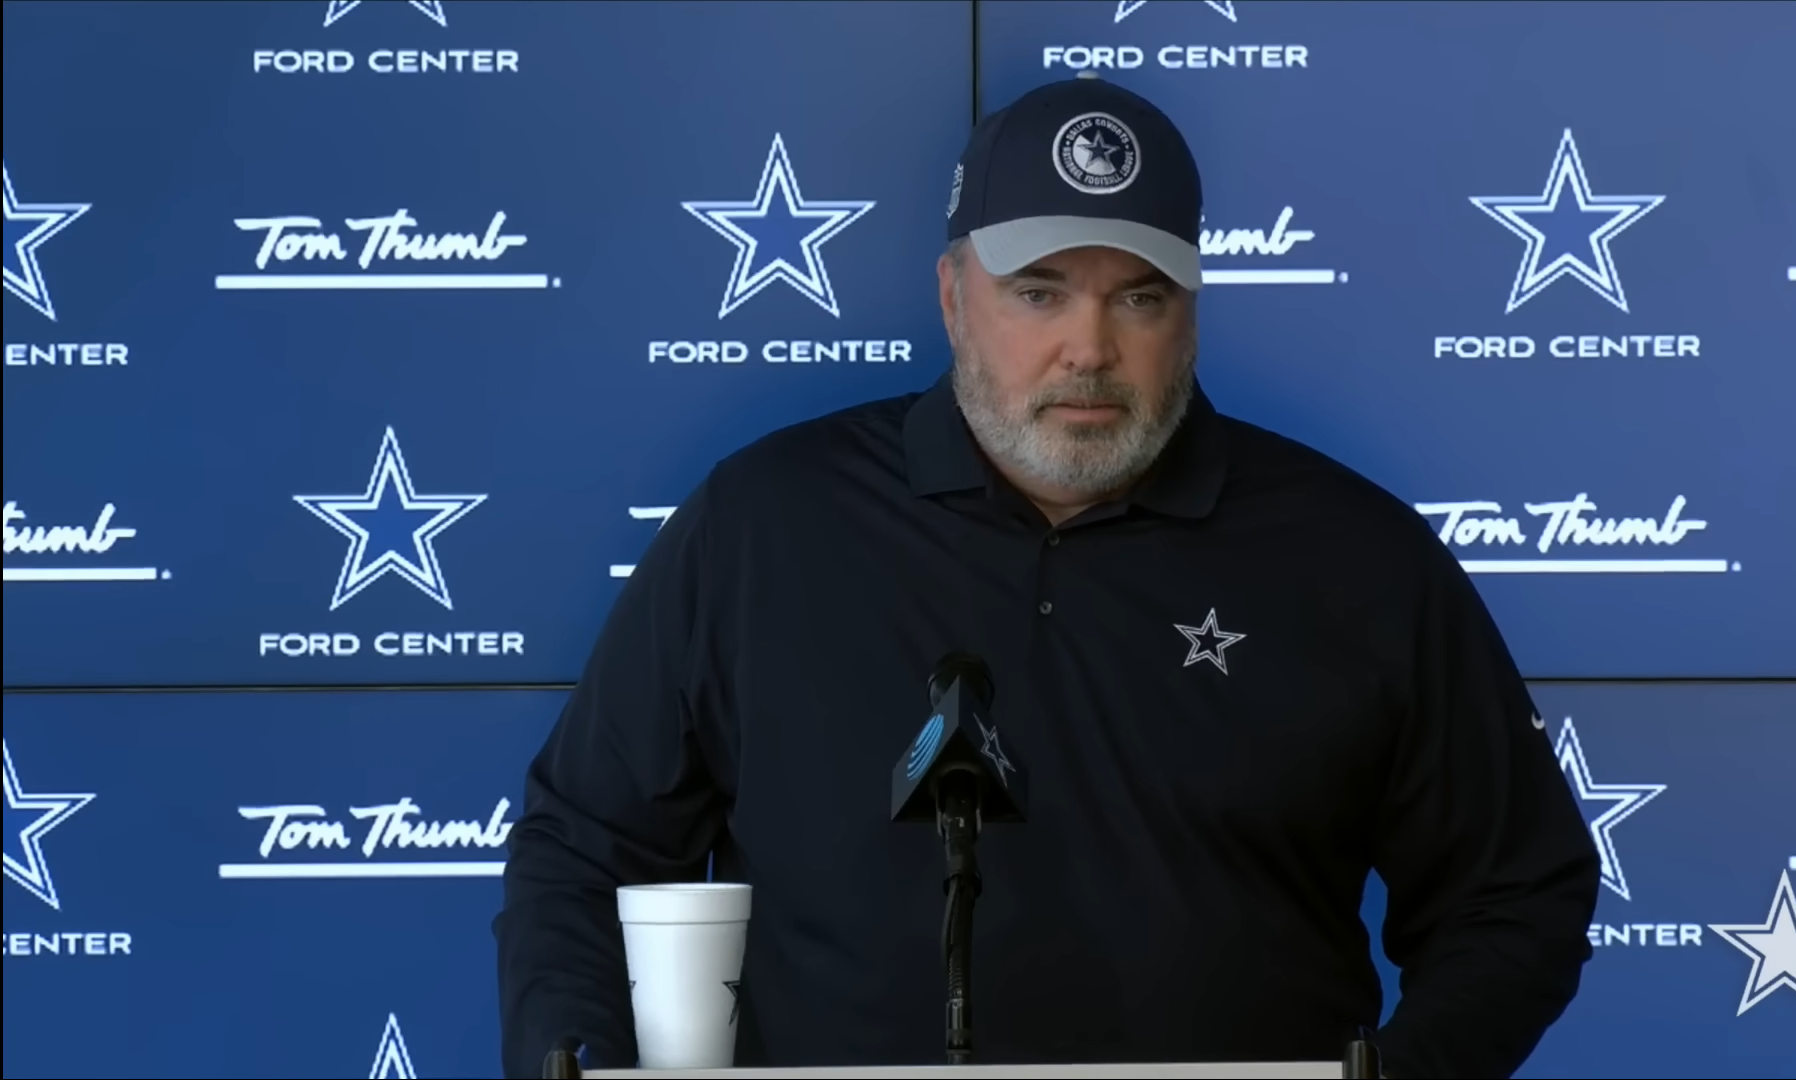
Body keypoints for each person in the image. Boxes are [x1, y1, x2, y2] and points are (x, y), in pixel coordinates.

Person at [495, 73, 1600, 1080]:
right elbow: (586, 845)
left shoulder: (1357, 556)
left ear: (1194, 313)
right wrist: (574, 1054)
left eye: (1141, 297)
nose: (1089, 347)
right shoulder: (762, 523)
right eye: (1039, 290)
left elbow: (1516, 892)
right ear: (950, 296)